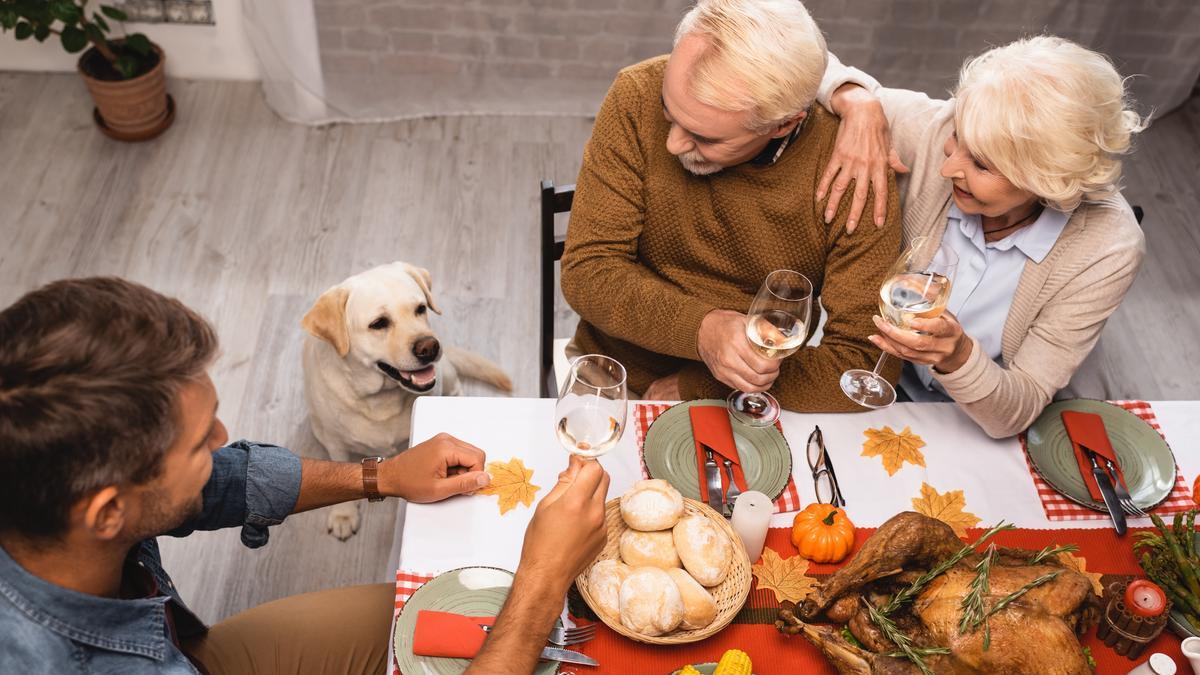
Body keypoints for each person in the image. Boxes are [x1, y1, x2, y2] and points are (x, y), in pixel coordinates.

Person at [0, 277, 608, 674]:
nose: (223, 440)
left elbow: (229, 479)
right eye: (197, 442)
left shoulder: (50, 486)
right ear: (108, 513)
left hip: (187, 654)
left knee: (432, 614)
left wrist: (383, 476)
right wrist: (542, 580)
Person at [559, 0, 902, 410]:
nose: (673, 145)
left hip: (759, 392)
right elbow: (588, 271)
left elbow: (863, 365)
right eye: (670, 114)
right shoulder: (636, 94)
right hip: (615, 375)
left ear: (785, 123)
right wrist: (702, 331)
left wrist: (706, 386)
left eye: (706, 138)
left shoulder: (849, 167)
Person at [817, 36, 1147, 437]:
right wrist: (859, 103)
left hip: (969, 422)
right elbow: (802, 62)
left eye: (981, 164)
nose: (947, 168)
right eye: (957, 139)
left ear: (1047, 180)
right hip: (868, 389)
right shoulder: (933, 131)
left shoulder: (1107, 246)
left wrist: (957, 356)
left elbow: (1017, 410)